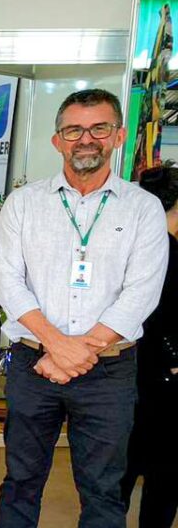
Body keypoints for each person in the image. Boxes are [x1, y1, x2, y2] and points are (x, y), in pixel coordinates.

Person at [0, 88, 168, 528]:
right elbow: (8, 283)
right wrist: (57, 347)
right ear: (57, 140)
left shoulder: (144, 209)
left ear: (118, 136)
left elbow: (142, 292)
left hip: (109, 371)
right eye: (73, 130)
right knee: (20, 481)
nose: (85, 139)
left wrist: (77, 353)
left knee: (104, 488)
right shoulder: (24, 204)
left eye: (98, 128)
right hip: (35, 365)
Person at [121, 162, 178, 528]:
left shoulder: (137, 245)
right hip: (161, 381)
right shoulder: (166, 251)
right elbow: (157, 317)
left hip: (128, 376)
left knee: (120, 479)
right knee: (164, 480)